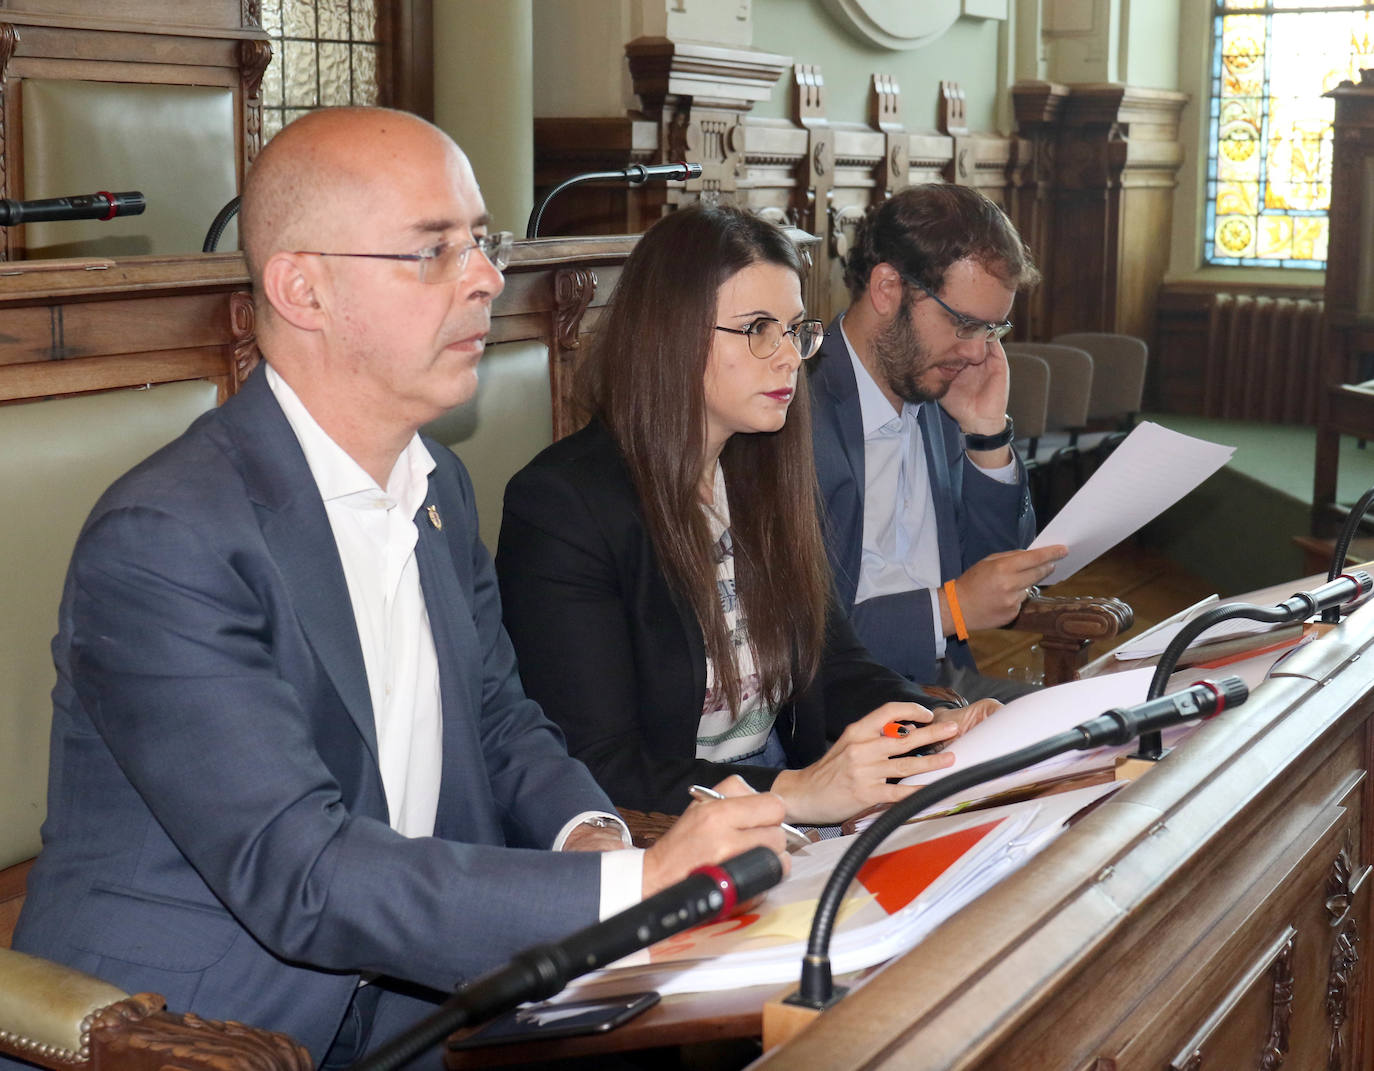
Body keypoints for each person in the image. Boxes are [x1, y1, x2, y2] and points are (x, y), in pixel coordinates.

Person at [10, 108, 790, 1068]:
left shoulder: (437, 486)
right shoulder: (168, 538)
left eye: (481, 242)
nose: (488, 279)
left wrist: (591, 837)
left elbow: (500, 719)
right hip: (199, 1027)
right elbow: (298, 871)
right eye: (433, 252)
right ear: (304, 288)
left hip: (415, 1003)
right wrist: (628, 887)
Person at [496, 204, 995, 825]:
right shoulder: (563, 507)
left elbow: (833, 664)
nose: (789, 357)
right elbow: (595, 762)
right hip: (663, 833)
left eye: (793, 329)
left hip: (783, 803)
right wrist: (792, 794)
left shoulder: (762, 471)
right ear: (670, 334)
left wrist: (925, 723)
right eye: (758, 328)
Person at [809, 184, 1068, 700]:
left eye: (993, 329)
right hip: (835, 711)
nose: (977, 353)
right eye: (964, 323)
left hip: (943, 685)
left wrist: (987, 431)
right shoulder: (795, 408)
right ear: (887, 288)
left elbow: (993, 576)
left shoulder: (938, 389)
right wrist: (949, 610)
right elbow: (796, 642)